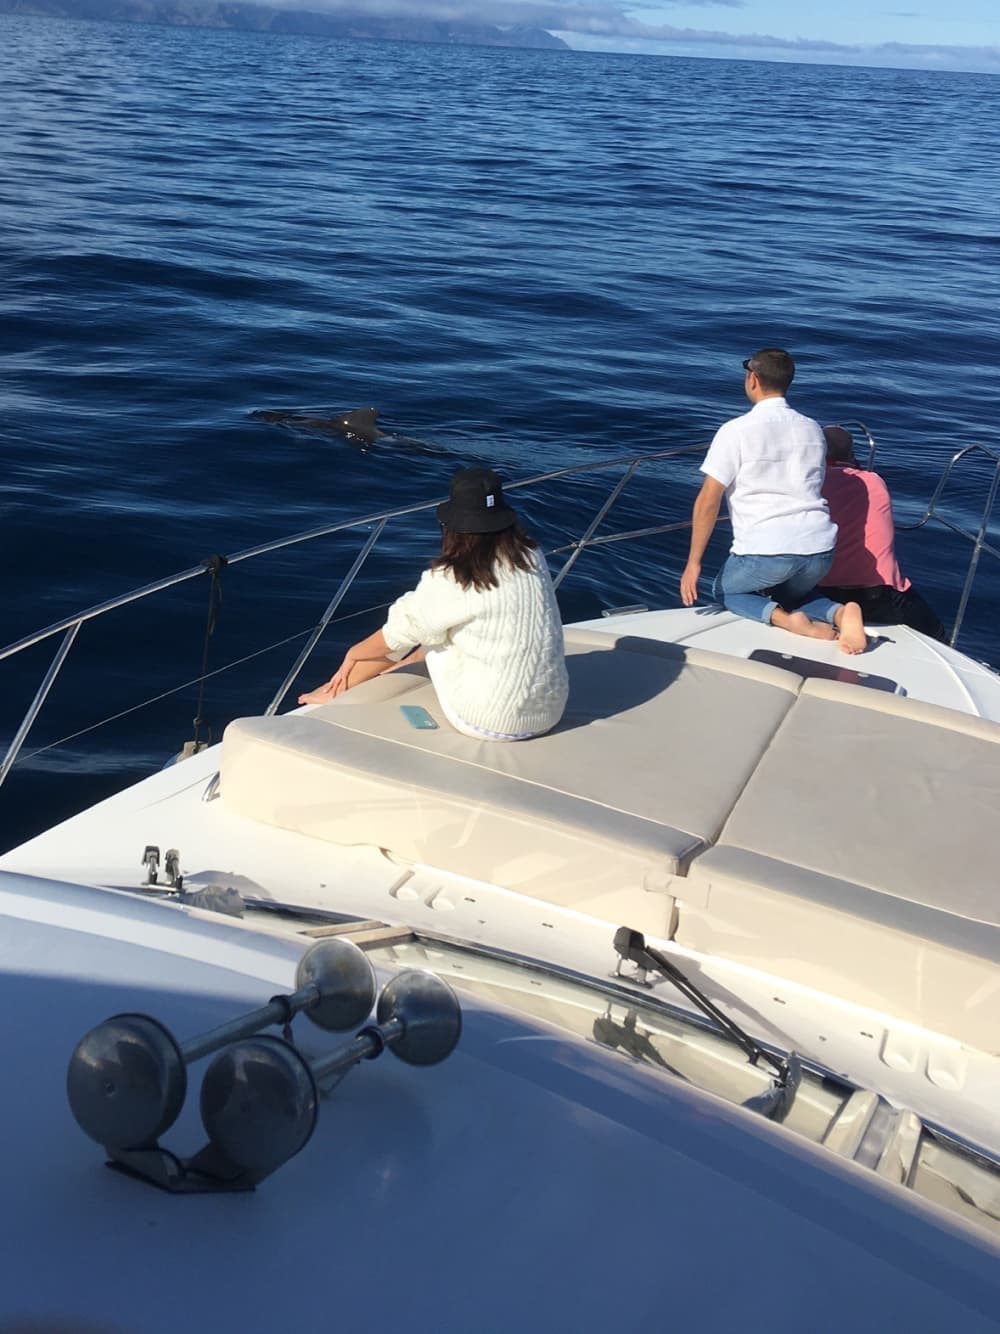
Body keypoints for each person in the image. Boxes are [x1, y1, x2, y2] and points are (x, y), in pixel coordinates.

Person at [298, 466, 569, 740]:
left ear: (452, 526)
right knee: (432, 622)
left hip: (489, 721)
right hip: (549, 713)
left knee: (422, 629)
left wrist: (353, 654)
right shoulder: (531, 555)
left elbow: (399, 632)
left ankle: (339, 689)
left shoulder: (455, 576)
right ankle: (393, 669)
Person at [679, 348, 867, 654]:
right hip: (820, 549)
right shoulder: (812, 429)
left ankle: (787, 621)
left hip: (768, 550)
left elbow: (708, 499)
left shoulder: (735, 431)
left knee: (725, 590)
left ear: (752, 379)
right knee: (790, 594)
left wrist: (693, 563)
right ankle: (840, 613)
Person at [818, 425, 946, 641]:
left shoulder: (812, 484)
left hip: (823, 591)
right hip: (879, 595)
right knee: (937, 634)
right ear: (851, 455)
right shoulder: (875, 481)